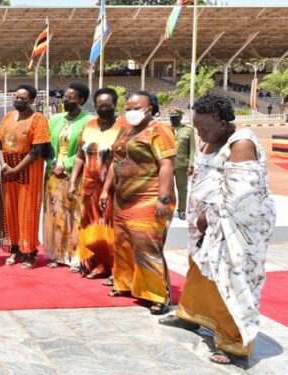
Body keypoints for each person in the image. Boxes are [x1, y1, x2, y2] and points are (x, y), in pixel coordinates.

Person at [159, 95, 276, 365]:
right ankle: (191, 315)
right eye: (197, 128)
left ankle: (234, 342)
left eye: (204, 129)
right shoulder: (208, 137)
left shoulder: (242, 144)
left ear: (223, 123)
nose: (200, 134)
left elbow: (239, 196)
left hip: (237, 227)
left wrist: (207, 218)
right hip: (205, 222)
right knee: (200, 270)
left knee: (230, 279)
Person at [100, 91, 176, 315]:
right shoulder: (126, 129)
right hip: (123, 197)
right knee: (123, 242)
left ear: (149, 108)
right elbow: (117, 161)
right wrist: (106, 190)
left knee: (146, 244)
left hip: (149, 196)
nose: (131, 111)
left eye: (136, 107)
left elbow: (167, 165)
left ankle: (157, 294)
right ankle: (125, 284)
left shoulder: (159, 130)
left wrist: (163, 198)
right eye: (128, 107)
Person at [0, 84, 53, 269]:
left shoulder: (38, 119)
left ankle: (30, 252)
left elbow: (37, 150)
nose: (18, 100)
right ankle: (15, 248)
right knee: (10, 209)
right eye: (16, 97)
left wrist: (16, 168)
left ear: (32, 100)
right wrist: (3, 165)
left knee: (27, 211)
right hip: (7, 171)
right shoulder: (7, 117)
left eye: (23, 98)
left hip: (28, 171)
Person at [69, 88, 126, 280]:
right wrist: (72, 182)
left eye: (108, 106)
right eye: (100, 105)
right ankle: (96, 263)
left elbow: (121, 160)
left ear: (115, 105)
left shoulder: (123, 126)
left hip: (113, 188)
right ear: (95, 105)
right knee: (89, 225)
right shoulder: (89, 126)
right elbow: (79, 157)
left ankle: (115, 267)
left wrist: (108, 189)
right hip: (88, 188)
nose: (104, 109)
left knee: (110, 226)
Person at [43, 82, 92, 270]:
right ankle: (56, 253)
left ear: (81, 100)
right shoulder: (55, 119)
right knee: (55, 215)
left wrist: (66, 164)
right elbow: (46, 145)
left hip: (75, 175)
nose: (66, 100)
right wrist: (53, 163)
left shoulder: (88, 121)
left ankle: (75, 255)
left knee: (74, 215)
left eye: (71, 98)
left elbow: (85, 149)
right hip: (53, 175)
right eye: (65, 96)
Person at [169, 108, 196, 220]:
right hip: (168, 164)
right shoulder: (166, 130)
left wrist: (191, 165)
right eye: (171, 118)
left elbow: (192, 149)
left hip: (182, 164)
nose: (173, 120)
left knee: (182, 188)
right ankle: (168, 210)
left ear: (180, 118)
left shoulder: (188, 130)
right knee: (167, 189)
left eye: (175, 118)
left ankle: (182, 211)